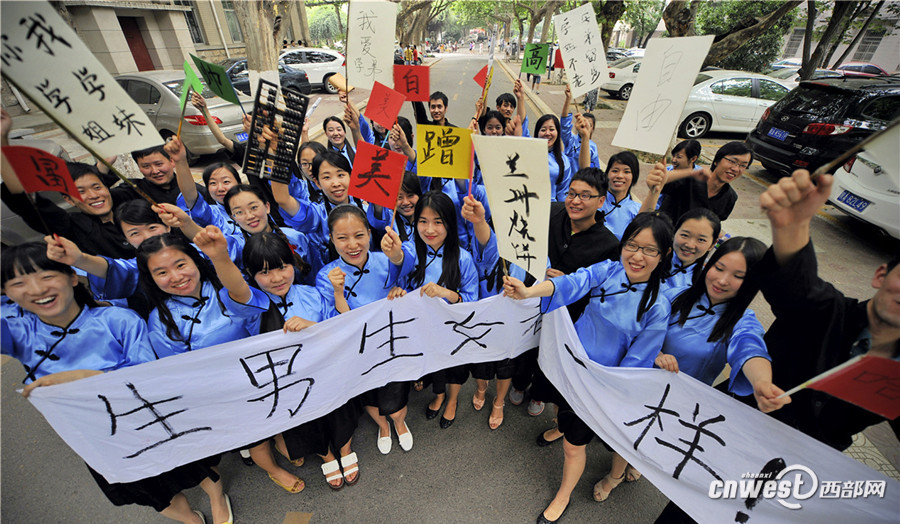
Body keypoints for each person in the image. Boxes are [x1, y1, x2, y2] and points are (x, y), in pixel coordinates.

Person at [2, 242, 232, 524]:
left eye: (47, 276)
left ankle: (217, 496)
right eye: (18, 283)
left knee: (195, 465)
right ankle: (189, 518)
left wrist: (85, 378)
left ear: (72, 277)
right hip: (98, 434)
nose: (37, 290)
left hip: (149, 415)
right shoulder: (18, 335)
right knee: (149, 491)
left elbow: (147, 375)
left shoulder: (117, 320)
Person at [504, 212, 674, 524]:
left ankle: (563, 495)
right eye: (632, 245)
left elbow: (635, 363)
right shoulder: (609, 270)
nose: (637, 256)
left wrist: (602, 395)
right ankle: (559, 425)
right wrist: (528, 292)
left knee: (574, 446)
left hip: (600, 387)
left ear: (664, 256)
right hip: (568, 364)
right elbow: (571, 283)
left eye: (650, 250)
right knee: (558, 407)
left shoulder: (657, 307)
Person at [757, 169, 900, 450]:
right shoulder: (828, 311)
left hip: (807, 472)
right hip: (739, 431)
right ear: (880, 276)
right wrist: (793, 227)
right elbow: (797, 290)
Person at [648, 237, 790, 518]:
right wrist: (654, 352)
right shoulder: (677, 294)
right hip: (640, 383)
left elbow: (750, 347)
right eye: (720, 267)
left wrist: (761, 382)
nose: (723, 280)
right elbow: (640, 322)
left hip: (678, 408)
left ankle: (620, 474)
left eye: (739, 276)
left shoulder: (742, 321)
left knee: (651, 449)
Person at [194, 227, 332, 493]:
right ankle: (281, 449)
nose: (277, 278)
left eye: (282, 267)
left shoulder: (312, 294)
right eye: (264, 272)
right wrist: (220, 257)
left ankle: (311, 447)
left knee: (307, 418)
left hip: (308, 377)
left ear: (294, 264)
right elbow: (238, 290)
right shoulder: (253, 303)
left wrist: (310, 326)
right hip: (268, 383)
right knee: (278, 424)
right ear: (251, 275)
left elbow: (333, 334)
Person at [516, 168, 620, 431]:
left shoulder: (608, 244)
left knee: (549, 354)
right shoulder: (552, 212)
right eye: (572, 193)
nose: (575, 201)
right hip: (531, 298)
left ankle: (538, 393)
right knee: (523, 346)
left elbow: (598, 289)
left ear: (601, 200)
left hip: (567, 313)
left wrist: (567, 282)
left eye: (585, 195)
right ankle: (518, 382)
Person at [318, 205, 410, 456]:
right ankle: (383, 426)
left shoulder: (387, 260)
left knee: (396, 393)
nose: (352, 244)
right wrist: (338, 292)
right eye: (342, 238)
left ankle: (399, 421)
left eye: (359, 235)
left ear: (370, 233)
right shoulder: (326, 275)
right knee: (369, 394)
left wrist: (401, 292)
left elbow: (410, 288)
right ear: (331, 239)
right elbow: (338, 324)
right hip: (357, 349)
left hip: (392, 341)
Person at [396, 192, 479, 429]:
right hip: (422, 328)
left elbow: (472, 301)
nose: (429, 229)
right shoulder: (411, 251)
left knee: (455, 368)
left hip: (454, 330)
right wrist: (398, 290)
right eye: (423, 221)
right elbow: (398, 267)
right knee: (434, 366)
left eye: (438, 221)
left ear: (450, 224)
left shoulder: (462, 258)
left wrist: (445, 293)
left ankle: (452, 400)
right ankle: (439, 394)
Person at [656, 141, 751, 223]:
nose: (736, 169)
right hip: (663, 235)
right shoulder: (689, 179)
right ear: (717, 161)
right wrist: (690, 172)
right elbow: (658, 181)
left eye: (743, 165)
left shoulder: (730, 197)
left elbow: (714, 223)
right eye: (732, 161)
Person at [119, 145, 211, 206]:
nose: (155, 171)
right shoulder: (133, 191)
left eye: (159, 164)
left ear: (172, 161)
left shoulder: (195, 191)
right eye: (146, 166)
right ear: (139, 167)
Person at [662, 208, 721, 292]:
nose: (690, 245)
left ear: (712, 244)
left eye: (701, 240)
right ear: (674, 233)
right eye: (685, 235)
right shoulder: (652, 261)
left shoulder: (706, 284)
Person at [600, 151, 642, 239]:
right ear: (607, 173)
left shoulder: (637, 210)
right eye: (615, 171)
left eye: (626, 172)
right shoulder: (594, 200)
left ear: (634, 176)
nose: (619, 176)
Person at [534, 114, 573, 202]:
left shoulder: (564, 160)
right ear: (537, 132)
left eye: (552, 129)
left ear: (558, 132)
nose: (547, 133)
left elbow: (563, 192)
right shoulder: (528, 155)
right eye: (543, 130)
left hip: (552, 209)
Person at [560, 86, 600, 169]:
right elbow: (564, 125)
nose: (586, 127)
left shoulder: (592, 147)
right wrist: (568, 99)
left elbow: (595, 171)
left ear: (592, 129)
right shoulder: (571, 140)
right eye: (583, 123)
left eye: (589, 125)